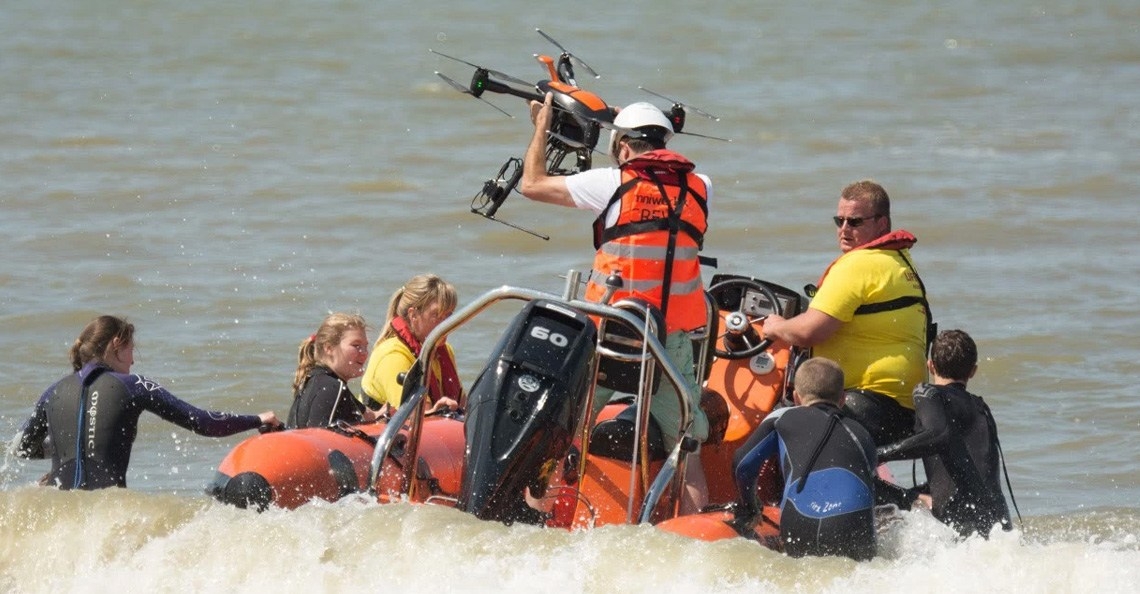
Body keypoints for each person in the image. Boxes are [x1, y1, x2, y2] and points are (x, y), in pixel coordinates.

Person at [519, 94, 712, 510]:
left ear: (623, 147)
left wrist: (542, 126)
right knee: (688, 445)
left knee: (562, 430)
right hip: (669, 340)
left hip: (610, 335)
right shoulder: (700, 186)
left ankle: (537, 518)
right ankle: (691, 537)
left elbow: (531, 184)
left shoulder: (611, 182)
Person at [12, 315, 280, 490]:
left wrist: (68, 445)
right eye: (130, 350)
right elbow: (203, 422)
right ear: (117, 344)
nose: (132, 360)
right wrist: (256, 419)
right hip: (105, 515)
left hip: (59, 512)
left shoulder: (53, 392)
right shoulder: (132, 386)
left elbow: (22, 449)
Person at [761, 180, 930, 446]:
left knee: (773, 430)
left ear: (882, 224)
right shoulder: (899, 262)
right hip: (905, 405)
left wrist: (775, 326)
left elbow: (808, 332)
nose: (844, 230)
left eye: (854, 222)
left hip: (866, 401)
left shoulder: (859, 264)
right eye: (839, 221)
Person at [732, 357, 877, 561]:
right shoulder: (861, 434)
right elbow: (870, 486)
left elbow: (742, 464)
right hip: (850, 520)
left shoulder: (781, 418)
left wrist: (750, 507)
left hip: (800, 518)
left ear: (796, 397)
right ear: (843, 399)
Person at [876, 329, 1013, 538]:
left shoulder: (927, 393)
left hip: (962, 523)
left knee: (874, 485)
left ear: (930, 365)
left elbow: (938, 434)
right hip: (999, 523)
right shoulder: (981, 406)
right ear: (973, 371)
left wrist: (879, 454)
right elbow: (968, 467)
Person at [360, 274, 462, 415]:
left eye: (449, 316)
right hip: (381, 434)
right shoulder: (393, 356)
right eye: (437, 315)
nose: (447, 324)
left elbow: (462, 403)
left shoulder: (444, 351)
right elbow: (414, 418)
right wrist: (436, 412)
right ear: (413, 315)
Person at [287, 312, 371, 428]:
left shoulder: (314, 379)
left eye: (365, 346)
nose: (365, 353)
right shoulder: (331, 388)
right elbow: (319, 438)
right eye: (356, 346)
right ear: (329, 348)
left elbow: (370, 415)